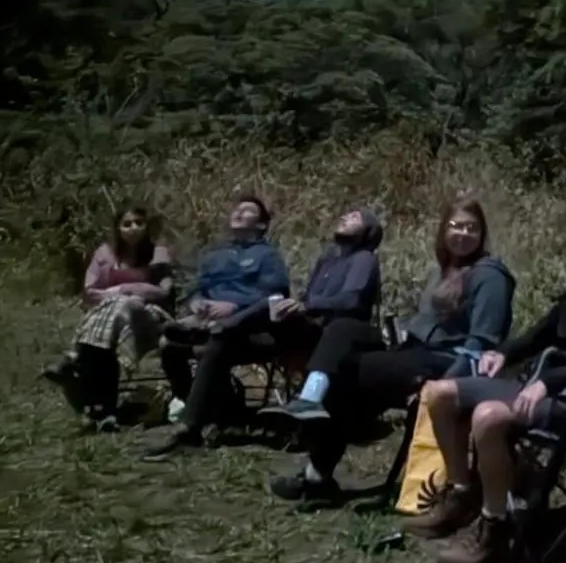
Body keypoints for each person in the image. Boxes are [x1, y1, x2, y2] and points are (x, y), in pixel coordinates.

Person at [408, 193, 566, 563]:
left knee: (489, 417)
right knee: (440, 394)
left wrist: (549, 383)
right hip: (550, 390)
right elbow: (543, 332)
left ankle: (495, 532)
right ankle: (461, 496)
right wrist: (504, 354)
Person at [265, 195, 515, 503]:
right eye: (455, 226)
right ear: (443, 231)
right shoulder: (444, 272)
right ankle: (318, 434)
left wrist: (443, 386)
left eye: (471, 228)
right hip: (413, 352)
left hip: (446, 364)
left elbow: (483, 342)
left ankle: (326, 463)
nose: (462, 234)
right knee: (343, 348)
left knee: (350, 371)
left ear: (481, 234)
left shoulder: (490, 275)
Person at [145, 206, 384, 455]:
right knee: (220, 346)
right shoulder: (328, 259)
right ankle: (189, 428)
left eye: (354, 217)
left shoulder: (363, 258)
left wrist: (304, 306)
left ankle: (212, 330)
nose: (345, 216)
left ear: (368, 231)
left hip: (327, 336)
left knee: (271, 301)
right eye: (346, 214)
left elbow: (350, 301)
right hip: (293, 331)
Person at [42, 205, 174, 429]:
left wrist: (125, 289)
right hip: (111, 317)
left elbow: (164, 291)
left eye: (138, 223)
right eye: (127, 224)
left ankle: (73, 358)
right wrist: (121, 295)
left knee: (121, 304)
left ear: (146, 226)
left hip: (149, 314)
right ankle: (104, 411)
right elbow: (89, 291)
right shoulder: (105, 254)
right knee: (115, 311)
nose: (133, 228)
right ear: (118, 228)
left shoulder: (157, 253)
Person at [158, 193, 291, 408]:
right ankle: (192, 401)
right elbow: (196, 286)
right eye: (237, 209)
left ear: (261, 225)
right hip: (206, 317)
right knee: (167, 345)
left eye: (248, 210)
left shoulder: (267, 256)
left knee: (207, 347)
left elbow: (275, 294)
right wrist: (196, 301)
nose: (238, 212)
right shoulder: (214, 254)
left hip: (247, 325)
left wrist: (234, 306)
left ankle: (216, 408)